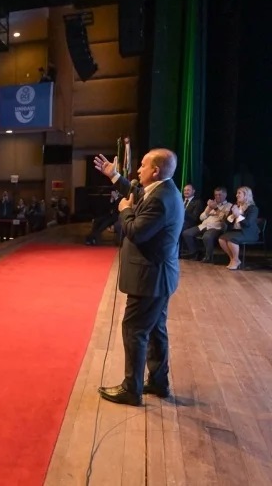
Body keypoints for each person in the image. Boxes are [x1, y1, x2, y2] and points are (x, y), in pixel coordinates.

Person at [92, 149, 183, 406]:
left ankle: (131, 389)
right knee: (155, 330)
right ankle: (158, 381)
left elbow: (135, 231)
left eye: (143, 165)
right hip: (158, 277)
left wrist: (124, 210)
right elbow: (137, 194)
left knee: (134, 330)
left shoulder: (161, 200)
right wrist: (114, 176)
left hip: (150, 278)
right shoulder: (162, 191)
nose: (138, 170)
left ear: (155, 170)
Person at [218, 186, 259, 270]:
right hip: (236, 231)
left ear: (246, 195)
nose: (237, 195)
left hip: (249, 233)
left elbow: (247, 224)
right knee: (221, 239)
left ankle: (235, 260)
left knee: (232, 240)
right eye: (237, 193)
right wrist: (232, 216)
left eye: (239, 193)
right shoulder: (235, 206)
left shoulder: (253, 208)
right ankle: (234, 259)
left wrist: (238, 215)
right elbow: (227, 221)